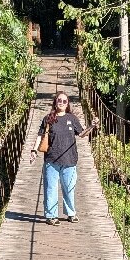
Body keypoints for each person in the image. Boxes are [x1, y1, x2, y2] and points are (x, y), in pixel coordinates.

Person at [29, 92, 98, 225]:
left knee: (69, 188)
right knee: (51, 188)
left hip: (69, 159)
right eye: (59, 100)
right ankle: (51, 216)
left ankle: (71, 213)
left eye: (64, 101)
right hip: (51, 159)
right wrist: (34, 150)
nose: (61, 103)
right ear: (55, 102)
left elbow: (82, 134)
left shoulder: (72, 118)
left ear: (67, 104)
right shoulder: (48, 118)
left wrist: (92, 126)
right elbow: (40, 135)